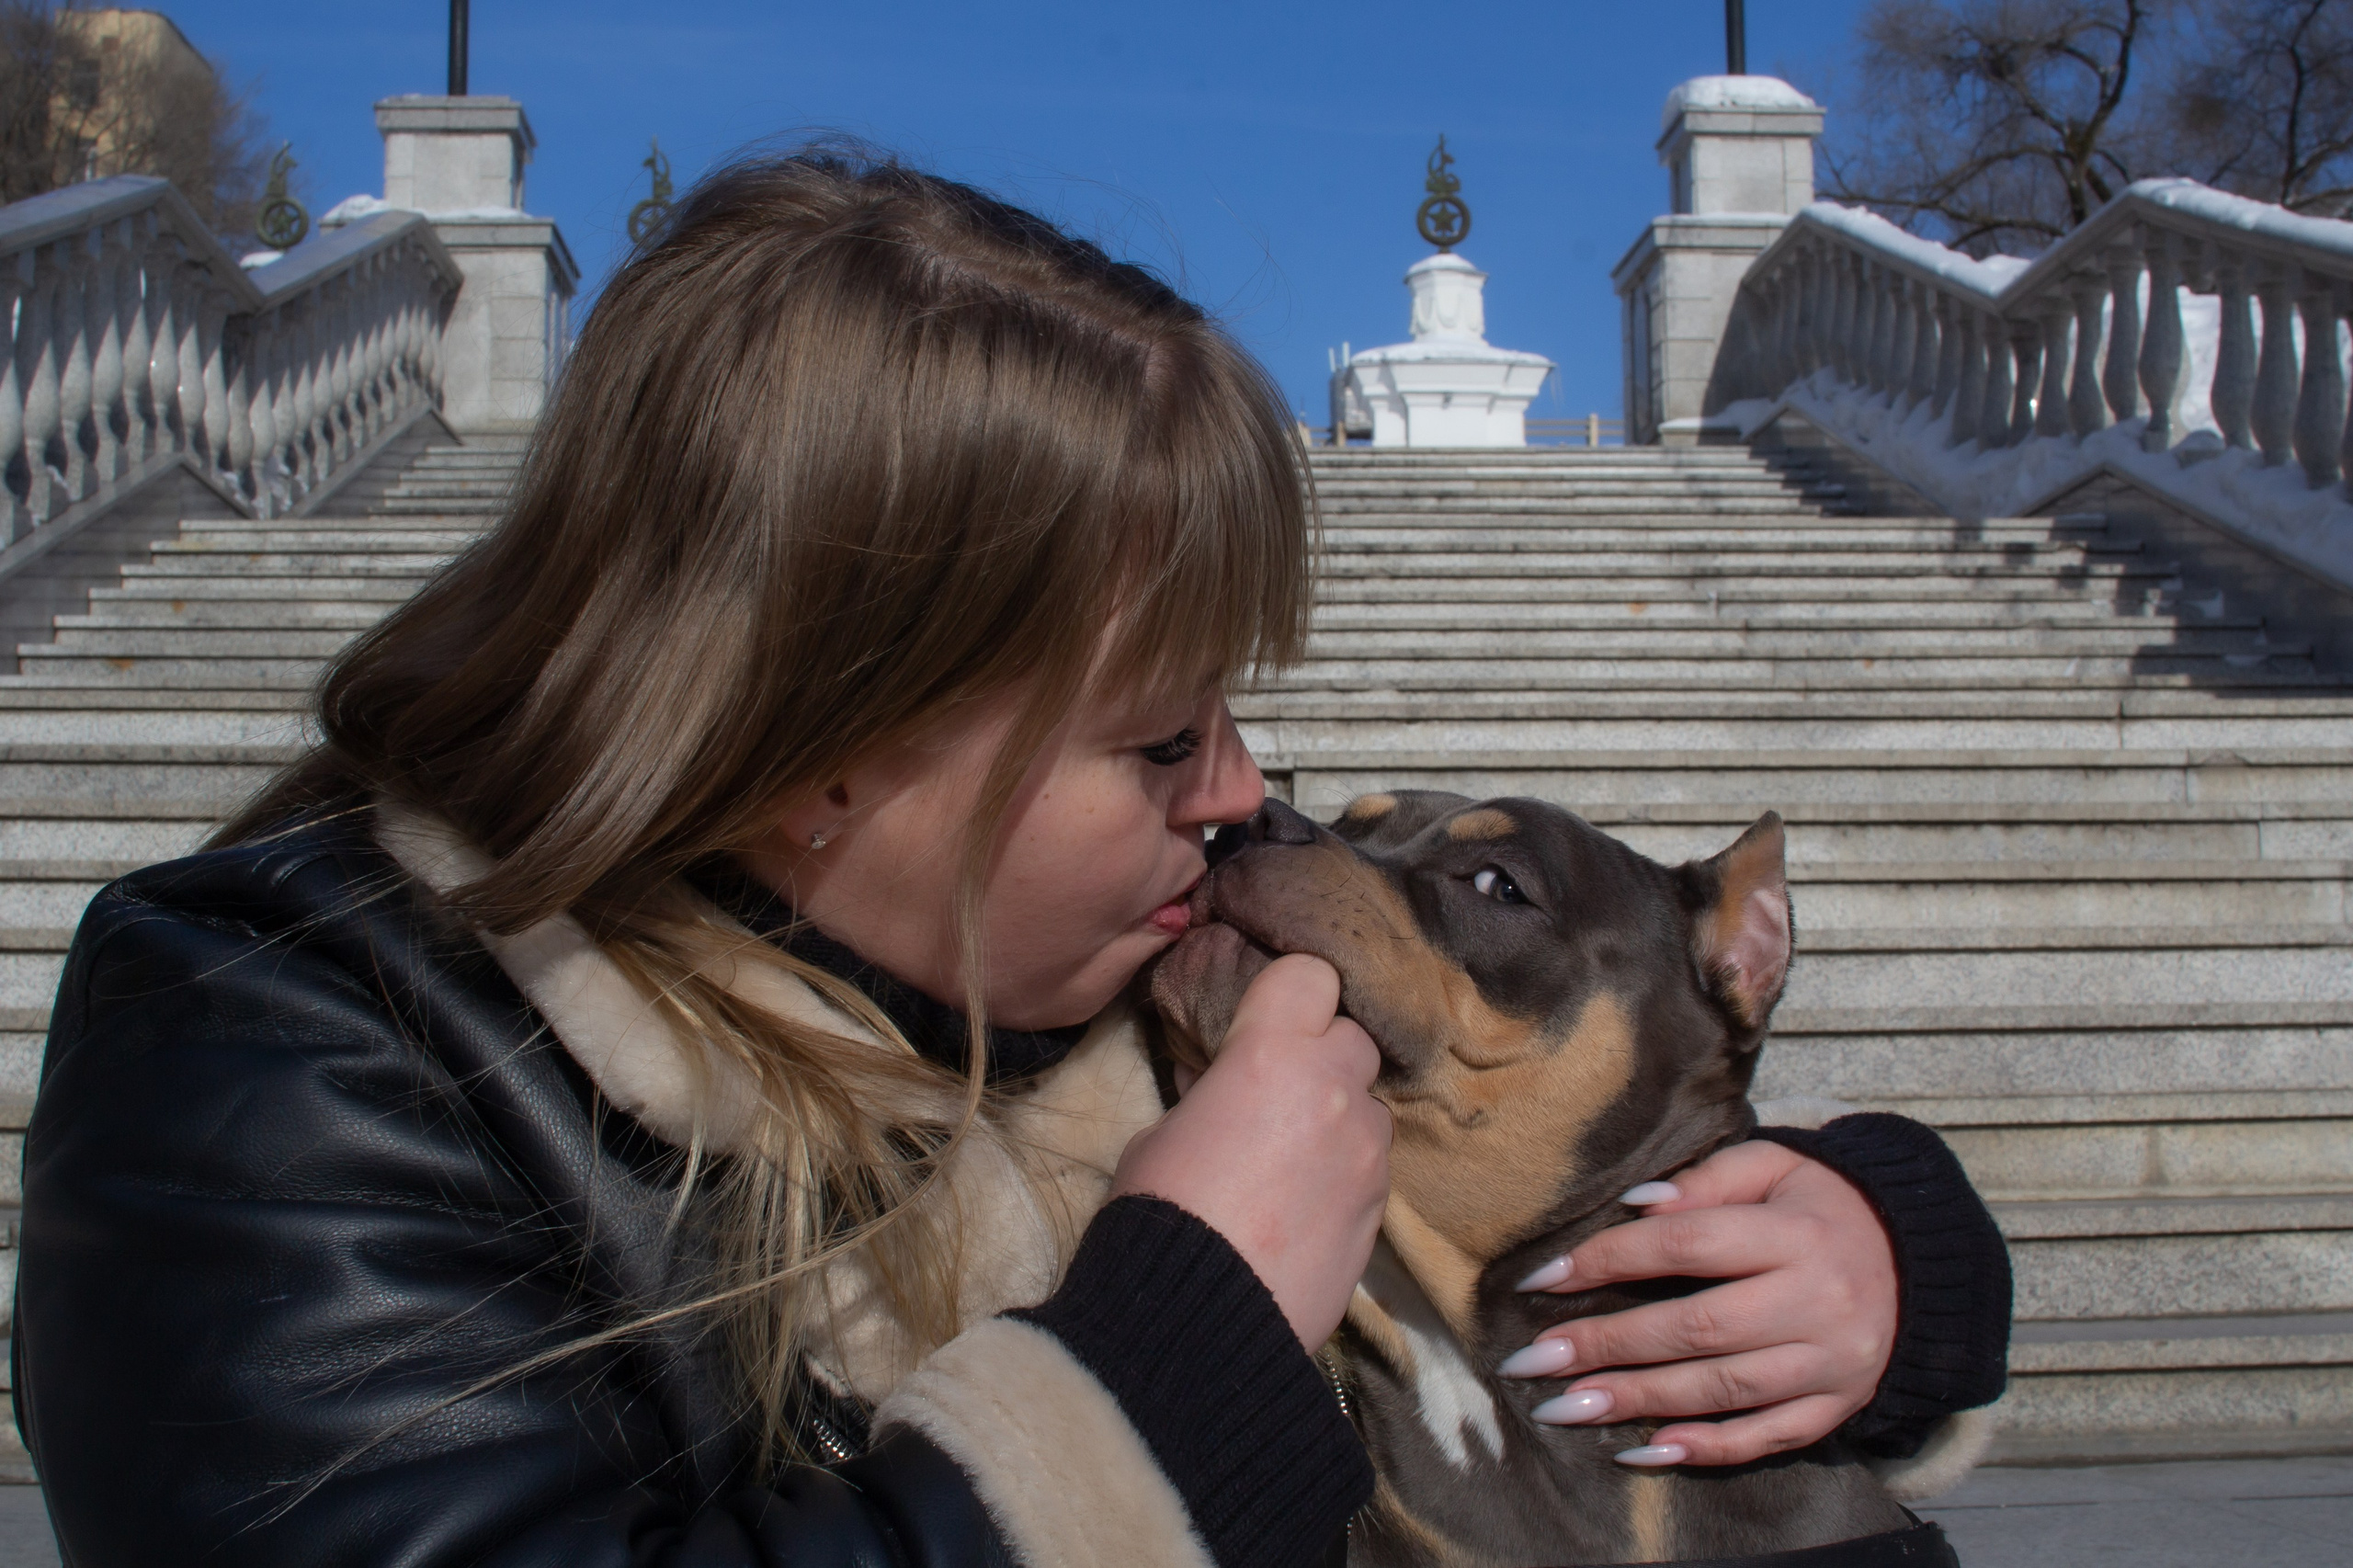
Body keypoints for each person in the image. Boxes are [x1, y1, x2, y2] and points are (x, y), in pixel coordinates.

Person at [15, 153, 2008, 1568]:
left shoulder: (1113, 972)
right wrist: (1165, 1364)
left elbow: (1576, 1156)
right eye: (1160, 739)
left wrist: (1872, 1254)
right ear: (808, 750)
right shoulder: (284, 1059)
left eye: (1232, 714)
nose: (1244, 800)